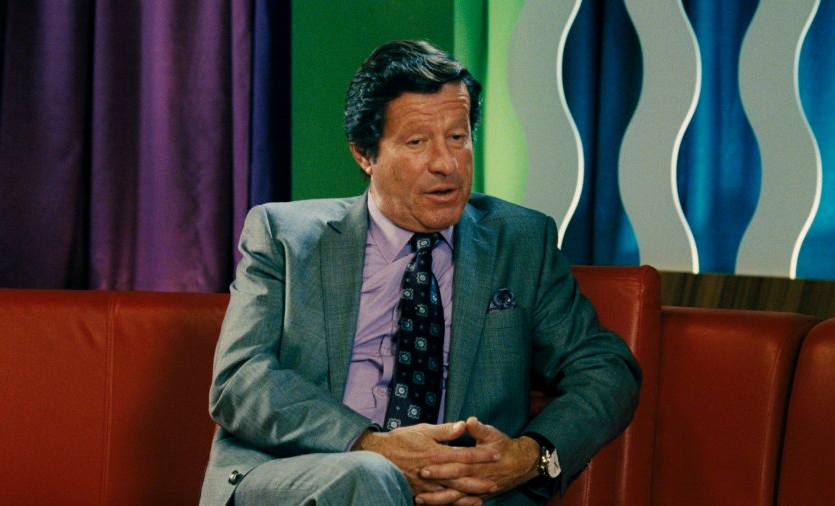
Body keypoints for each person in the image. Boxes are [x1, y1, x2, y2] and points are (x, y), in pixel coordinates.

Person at [199, 40, 641, 506]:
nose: (446, 164)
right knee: (370, 477)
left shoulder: (521, 242)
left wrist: (531, 456)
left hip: (459, 496)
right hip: (301, 478)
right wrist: (371, 446)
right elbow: (240, 379)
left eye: (458, 138)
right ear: (365, 154)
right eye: (417, 142)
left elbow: (606, 370)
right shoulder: (286, 237)